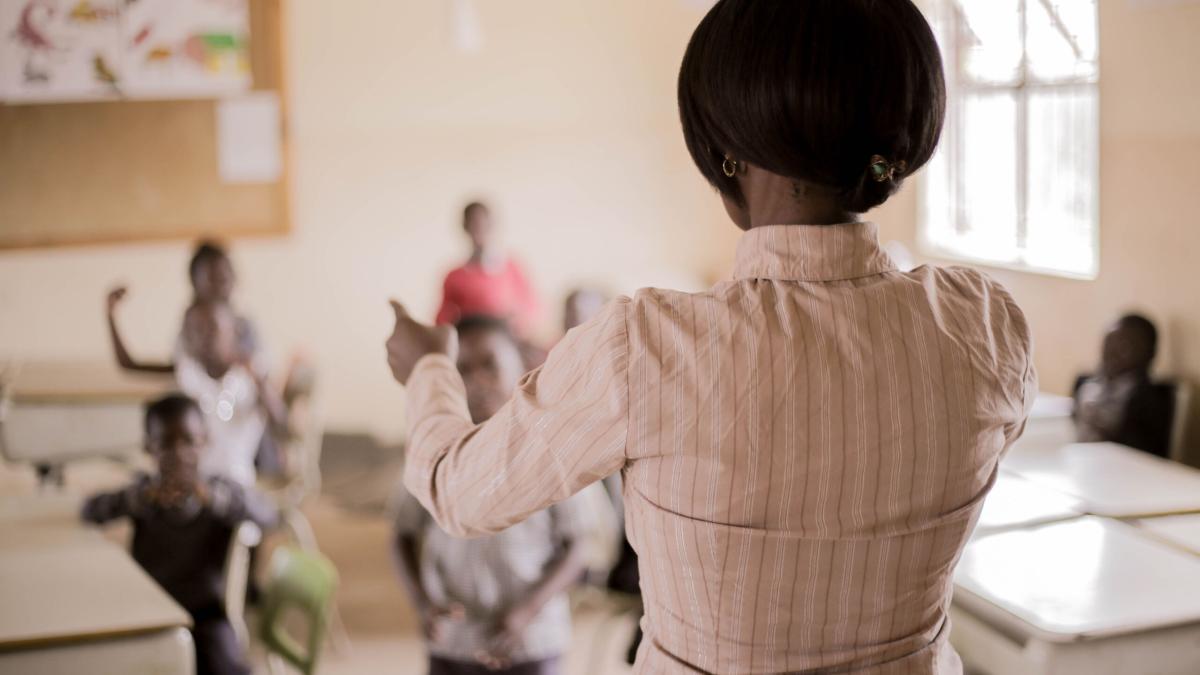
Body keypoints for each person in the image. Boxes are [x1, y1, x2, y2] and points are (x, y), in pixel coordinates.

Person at [385, 1, 1036, 672]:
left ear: (727, 156)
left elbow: (458, 490)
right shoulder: (982, 324)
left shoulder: (646, 348)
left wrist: (430, 371)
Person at [390, 315, 590, 675]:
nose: (477, 380)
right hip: (453, 636)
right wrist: (422, 604)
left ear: (522, 368)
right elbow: (401, 534)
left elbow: (578, 545)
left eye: (490, 366)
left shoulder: (551, 447)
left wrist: (527, 611)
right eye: (462, 370)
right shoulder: (432, 451)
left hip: (533, 636)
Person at [81, 393, 279, 675]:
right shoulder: (143, 493)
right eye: (165, 444)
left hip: (208, 616)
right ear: (148, 447)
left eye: (188, 441)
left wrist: (214, 500)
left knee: (229, 666)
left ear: (205, 441)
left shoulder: (219, 490)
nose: (179, 454)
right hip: (149, 614)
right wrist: (139, 498)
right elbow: (91, 511)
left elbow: (269, 514)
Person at [106, 240, 264, 375]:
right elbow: (173, 370)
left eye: (225, 275)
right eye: (212, 278)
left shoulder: (247, 329)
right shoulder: (190, 334)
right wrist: (111, 314)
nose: (221, 284)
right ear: (194, 282)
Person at [177, 299, 288, 486]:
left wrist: (259, 380)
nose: (204, 337)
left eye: (213, 328)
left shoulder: (250, 376)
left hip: (239, 483)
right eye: (196, 330)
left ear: (233, 331)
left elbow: (282, 427)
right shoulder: (187, 373)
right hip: (196, 484)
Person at [1073, 313, 1176, 458]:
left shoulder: (1154, 397)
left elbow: (1146, 449)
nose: (1112, 352)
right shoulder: (1084, 383)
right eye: (1109, 343)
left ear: (1149, 353)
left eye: (1124, 346)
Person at [435, 202, 540, 337]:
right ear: (465, 227)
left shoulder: (511, 268)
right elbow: (442, 319)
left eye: (483, 223)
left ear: (491, 225)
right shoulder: (454, 277)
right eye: (473, 224)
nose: (478, 229)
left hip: (507, 338)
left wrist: (516, 320)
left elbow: (531, 306)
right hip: (470, 339)